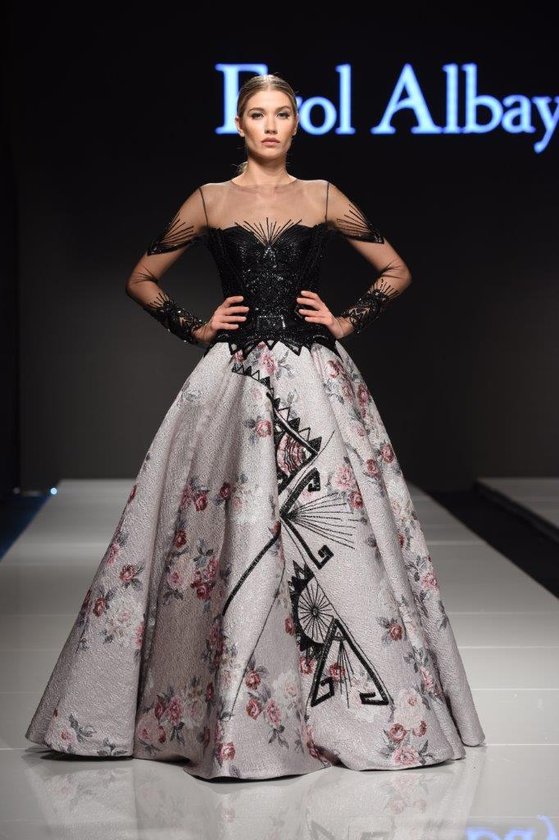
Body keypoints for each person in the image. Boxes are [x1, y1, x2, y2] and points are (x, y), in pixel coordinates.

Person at [25, 73, 485, 780]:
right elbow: (141, 277)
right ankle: (226, 704)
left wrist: (346, 321)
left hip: (315, 376)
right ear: (238, 125)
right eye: (258, 114)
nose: (270, 125)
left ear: (297, 124)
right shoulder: (210, 200)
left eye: (282, 114)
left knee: (336, 531)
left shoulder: (322, 196)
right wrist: (194, 326)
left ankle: (347, 705)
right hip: (233, 380)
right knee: (229, 528)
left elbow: (394, 270)